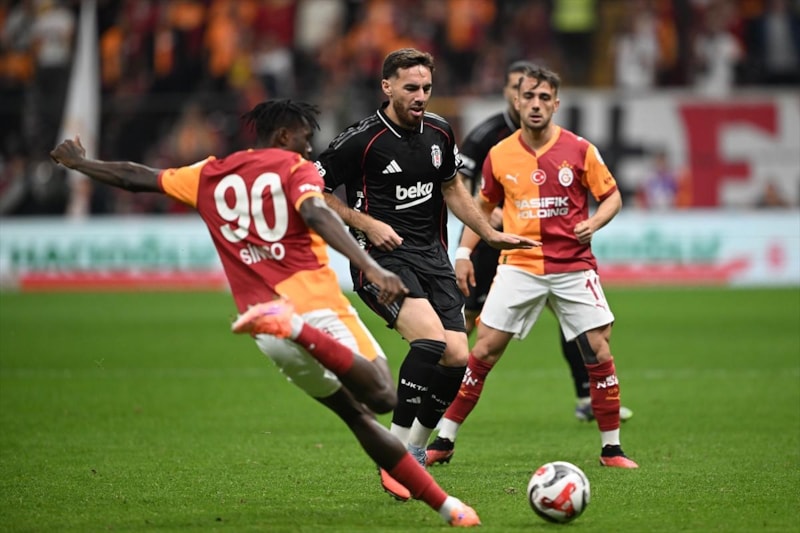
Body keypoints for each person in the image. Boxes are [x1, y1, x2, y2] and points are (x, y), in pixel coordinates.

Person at [49, 99, 481, 527]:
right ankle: (298, 329)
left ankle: (448, 508)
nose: (310, 151)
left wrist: (80, 163)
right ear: (284, 136)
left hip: (263, 326)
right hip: (313, 308)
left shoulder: (211, 174)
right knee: (383, 396)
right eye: (306, 140)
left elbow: (136, 177)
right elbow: (315, 212)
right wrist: (370, 266)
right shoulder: (295, 170)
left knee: (356, 416)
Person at [314, 48, 537, 500]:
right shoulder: (362, 140)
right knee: (431, 342)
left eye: (427, 88)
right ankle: (393, 453)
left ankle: (414, 449)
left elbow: (452, 186)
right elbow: (313, 188)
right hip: (381, 261)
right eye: (411, 87)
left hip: (432, 258)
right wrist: (366, 223)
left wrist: (487, 235)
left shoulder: (439, 131)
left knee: (457, 356)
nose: (420, 96)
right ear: (387, 87)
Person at [426, 64, 639, 469]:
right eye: (529, 97)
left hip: (573, 265)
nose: (536, 104)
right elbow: (482, 207)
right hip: (519, 265)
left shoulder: (580, 149)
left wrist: (595, 221)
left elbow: (612, 196)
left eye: (544, 98)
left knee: (598, 349)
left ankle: (612, 449)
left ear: (556, 104)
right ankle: (445, 439)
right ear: (517, 101)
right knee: (484, 349)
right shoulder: (499, 154)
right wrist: (464, 253)